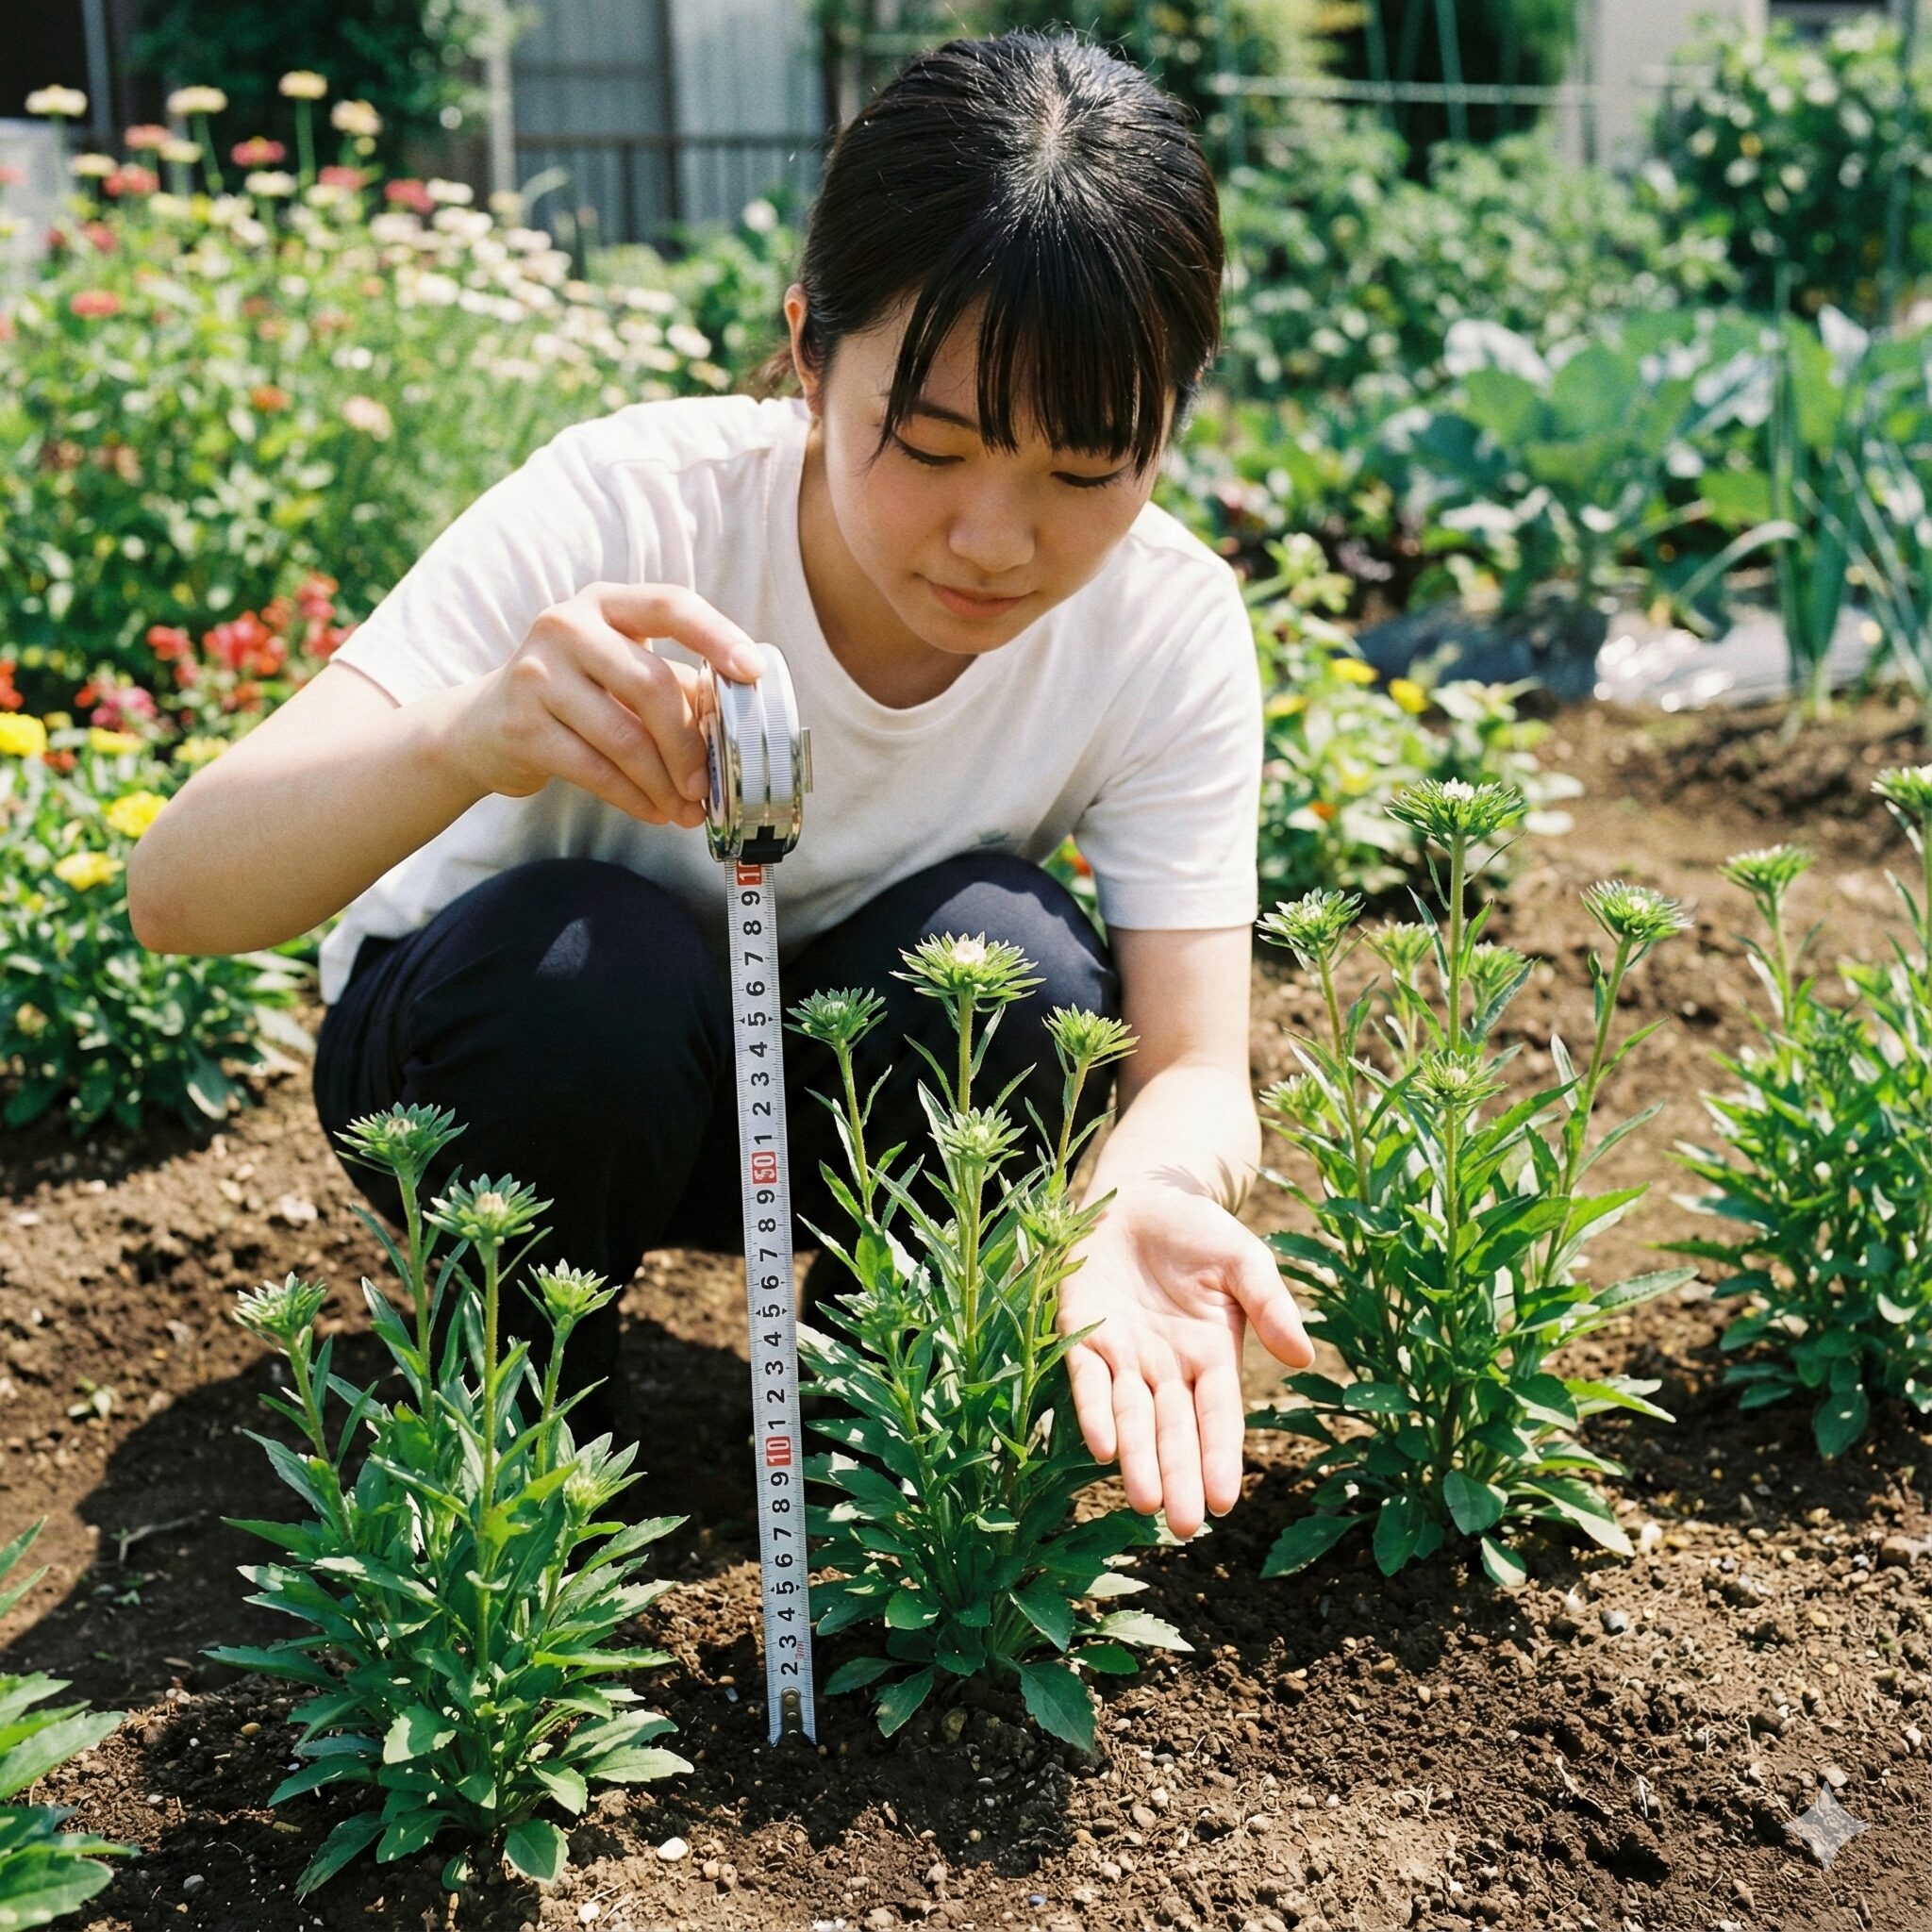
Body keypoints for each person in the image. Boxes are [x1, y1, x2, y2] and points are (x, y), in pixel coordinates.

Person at [126, 27, 1315, 1543]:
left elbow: (1196, 1067)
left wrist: (1135, 1190)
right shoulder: (627, 508)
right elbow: (176, 891)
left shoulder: (1163, 619)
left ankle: (871, 1427)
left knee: (1013, 974)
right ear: (812, 348)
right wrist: (469, 736)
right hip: (521, 1073)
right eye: (934, 444)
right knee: (589, 962)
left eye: (1087, 469)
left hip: (836, 1109)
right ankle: (522, 1439)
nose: (996, 539)